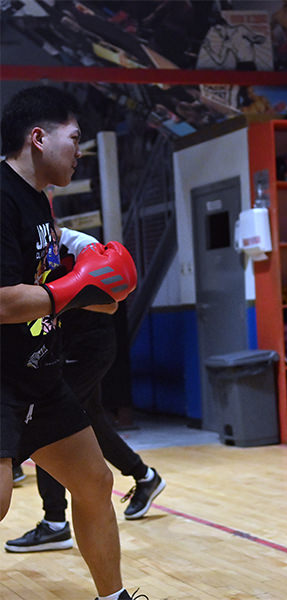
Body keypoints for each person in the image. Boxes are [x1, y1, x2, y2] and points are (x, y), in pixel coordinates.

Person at [0, 85, 145, 600]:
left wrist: (97, 290)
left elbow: (56, 290)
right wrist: (75, 288)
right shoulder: (1, 196)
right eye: (75, 137)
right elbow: (3, 302)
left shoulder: (39, 201)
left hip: (37, 375)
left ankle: (115, 598)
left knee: (93, 483)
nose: (79, 150)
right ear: (38, 138)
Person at [6, 235, 165, 553]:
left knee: (50, 423)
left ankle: (55, 522)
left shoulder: (77, 244)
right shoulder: (20, 250)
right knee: (84, 419)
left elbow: (110, 304)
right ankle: (143, 475)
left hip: (88, 346)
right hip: (63, 345)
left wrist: (65, 292)